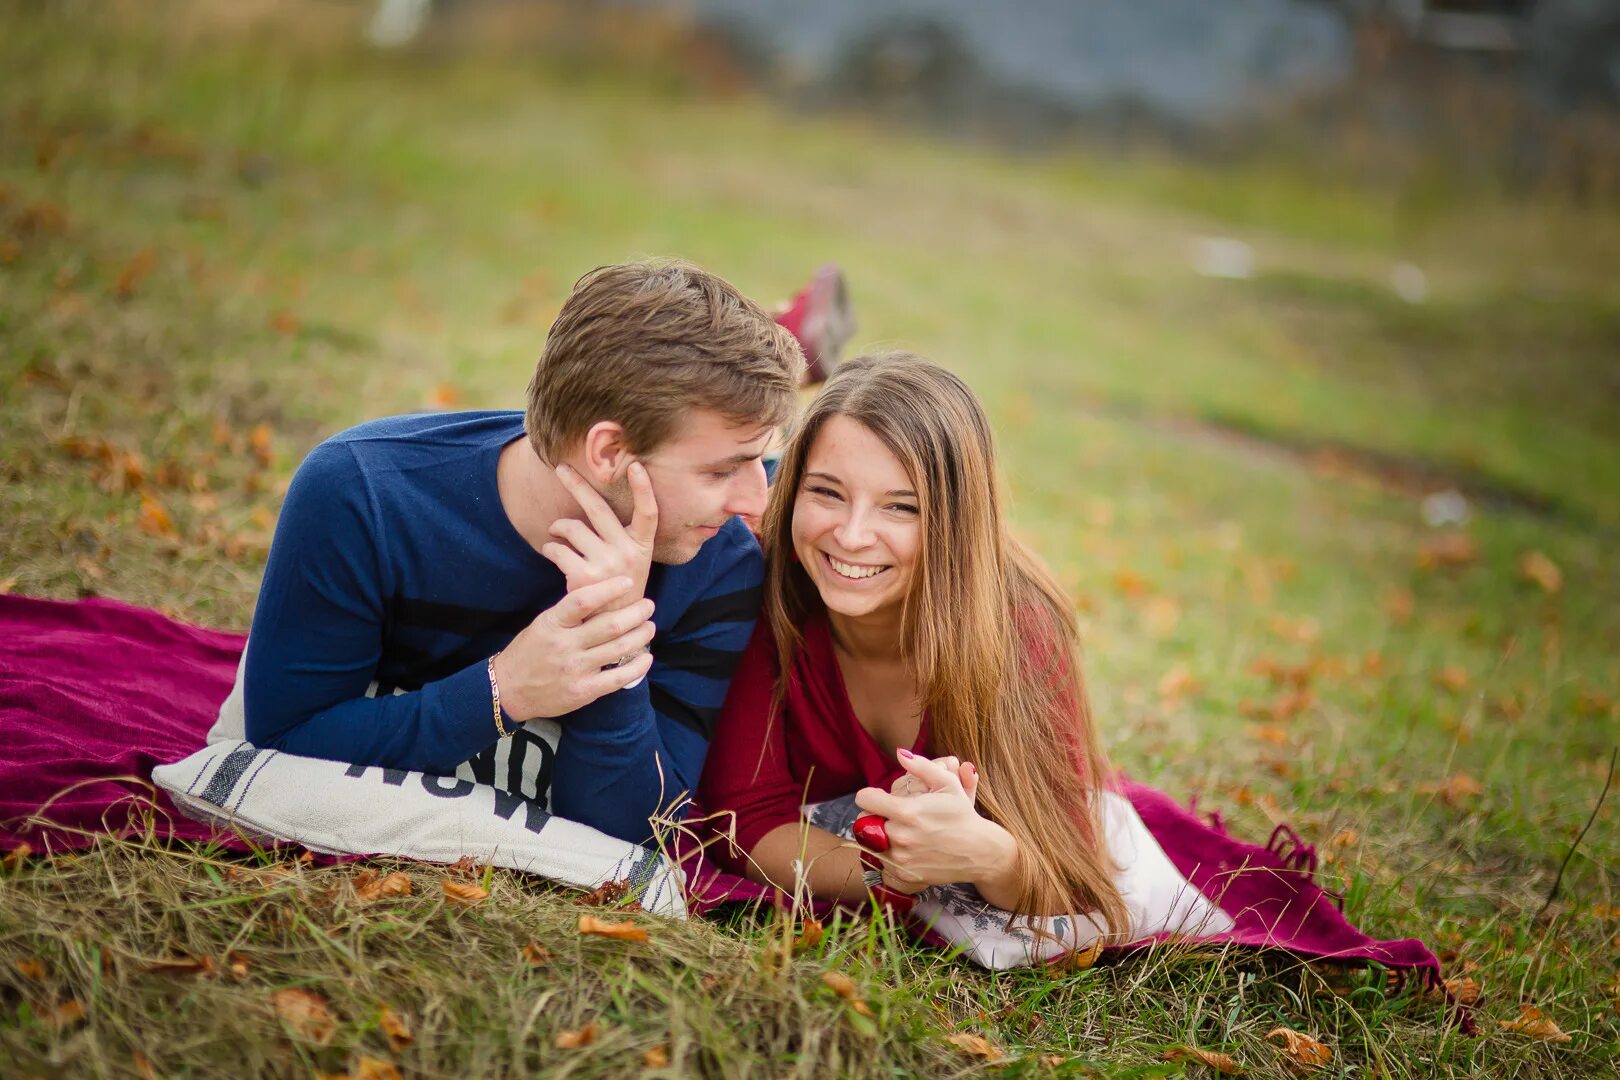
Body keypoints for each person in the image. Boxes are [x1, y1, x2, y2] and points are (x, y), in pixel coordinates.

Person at [226, 260, 811, 846]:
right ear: (608, 452)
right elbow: (284, 741)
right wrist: (504, 691)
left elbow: (638, 828)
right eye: (723, 470)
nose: (753, 503)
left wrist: (611, 643)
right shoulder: (363, 494)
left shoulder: (719, 561)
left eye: (758, 463)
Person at [698, 352, 1130, 935]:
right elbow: (742, 820)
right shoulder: (766, 580)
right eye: (826, 493)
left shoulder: (1019, 627)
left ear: (953, 522)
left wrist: (983, 854)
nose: (850, 537)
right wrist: (887, 870)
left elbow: (1070, 878)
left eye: (900, 506)